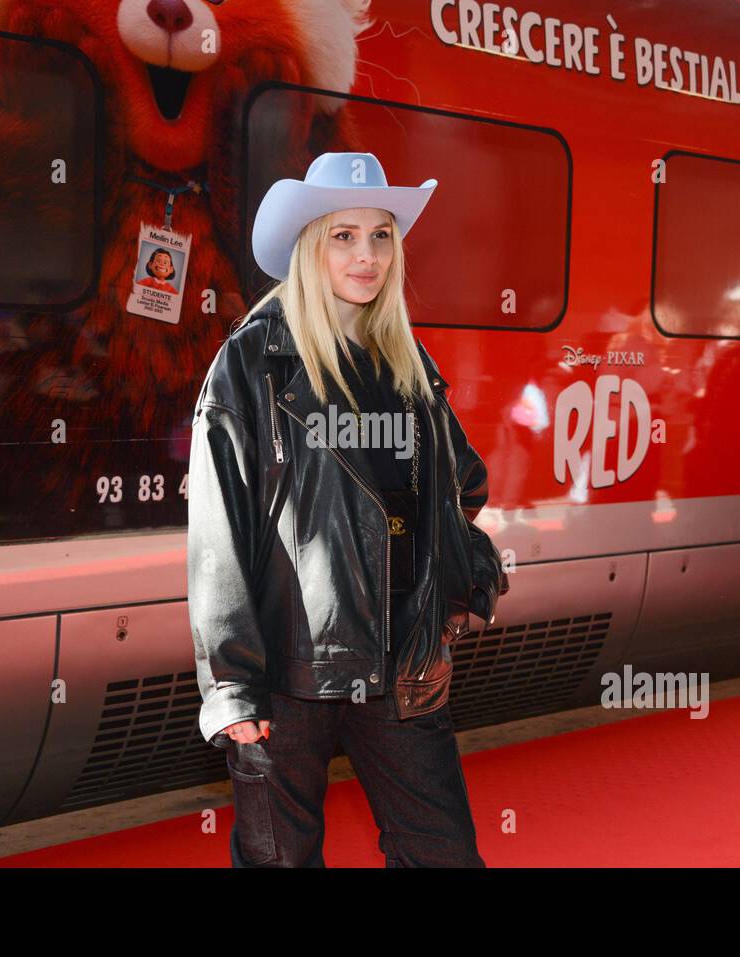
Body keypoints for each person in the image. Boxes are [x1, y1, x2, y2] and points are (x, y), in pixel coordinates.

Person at [186, 151, 508, 867]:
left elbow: (462, 489)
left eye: (381, 235)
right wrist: (234, 686)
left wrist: (451, 604)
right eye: (344, 235)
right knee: (281, 860)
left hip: (401, 663)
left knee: (444, 852)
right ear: (310, 244)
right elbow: (219, 535)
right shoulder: (252, 362)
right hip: (288, 667)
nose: (367, 255)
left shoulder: (407, 363)